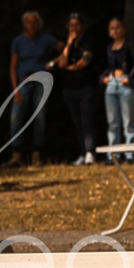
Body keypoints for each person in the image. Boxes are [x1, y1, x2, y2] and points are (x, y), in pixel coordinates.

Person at [8, 11, 62, 167]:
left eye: (34, 22)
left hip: (41, 81)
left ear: (39, 24)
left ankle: (36, 154)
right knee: (15, 117)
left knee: (39, 118)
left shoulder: (45, 39)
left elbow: (65, 49)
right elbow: (13, 67)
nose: (32, 25)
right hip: (23, 81)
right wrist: (15, 89)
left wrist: (52, 64)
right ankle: (16, 154)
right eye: (28, 22)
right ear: (24, 24)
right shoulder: (18, 41)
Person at [54, 13, 99, 166]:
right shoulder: (69, 45)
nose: (74, 28)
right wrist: (68, 43)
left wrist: (71, 68)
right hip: (70, 89)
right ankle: (81, 152)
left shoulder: (88, 41)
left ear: (82, 26)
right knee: (77, 122)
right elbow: (61, 63)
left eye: (77, 25)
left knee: (87, 121)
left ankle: (90, 152)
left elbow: (85, 61)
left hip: (87, 88)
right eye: (71, 25)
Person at [102, 17, 134, 164]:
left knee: (128, 121)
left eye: (117, 27)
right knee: (112, 122)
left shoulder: (129, 44)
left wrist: (130, 79)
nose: (115, 31)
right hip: (111, 84)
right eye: (112, 28)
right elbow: (109, 66)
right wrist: (104, 77)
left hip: (125, 84)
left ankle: (131, 155)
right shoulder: (109, 47)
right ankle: (114, 155)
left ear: (124, 29)